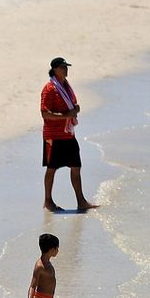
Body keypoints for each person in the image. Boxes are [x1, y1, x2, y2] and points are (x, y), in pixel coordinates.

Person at [41, 57, 97, 211]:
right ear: (54, 69)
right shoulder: (49, 89)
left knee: (76, 166)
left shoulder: (66, 86)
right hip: (54, 135)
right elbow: (45, 113)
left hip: (68, 134)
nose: (65, 70)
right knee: (51, 168)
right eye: (62, 67)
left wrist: (75, 110)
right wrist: (67, 115)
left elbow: (71, 107)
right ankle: (48, 201)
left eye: (66, 67)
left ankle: (81, 201)